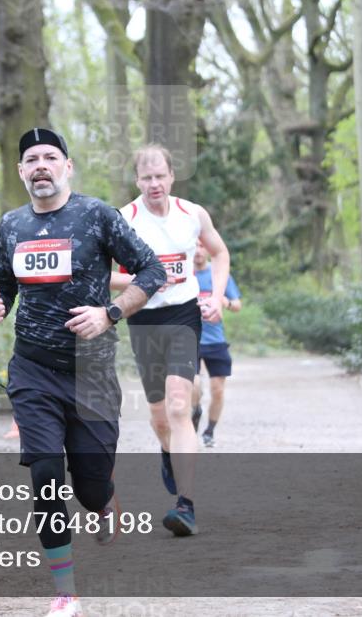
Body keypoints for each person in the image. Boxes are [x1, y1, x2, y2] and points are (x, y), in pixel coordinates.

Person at [0, 127, 165, 617]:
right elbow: (1, 282)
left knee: (88, 486)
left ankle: (104, 501)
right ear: (21, 172)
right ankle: (66, 592)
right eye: (31, 160)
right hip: (33, 369)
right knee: (44, 475)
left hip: (93, 371)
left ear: (67, 166)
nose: (40, 165)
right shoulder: (12, 225)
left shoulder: (97, 215)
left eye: (50, 157)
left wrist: (110, 313)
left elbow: (153, 272)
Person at [112, 144, 230, 537]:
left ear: (171, 176)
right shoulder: (123, 219)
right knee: (160, 418)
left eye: (160, 176)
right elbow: (103, 275)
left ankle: (185, 505)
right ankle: (168, 450)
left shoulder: (192, 214)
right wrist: (142, 279)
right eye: (146, 178)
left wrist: (214, 296)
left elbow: (219, 252)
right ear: (137, 181)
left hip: (183, 315)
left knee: (179, 407)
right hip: (143, 318)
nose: (154, 184)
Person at [190, 240, 242, 447]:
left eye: (202, 246)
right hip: (189, 338)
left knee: (218, 390)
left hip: (215, 340)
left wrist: (224, 302)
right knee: (193, 386)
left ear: (209, 251)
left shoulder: (219, 275)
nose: (198, 250)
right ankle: (195, 411)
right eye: (194, 246)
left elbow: (237, 305)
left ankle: (209, 431)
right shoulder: (184, 275)